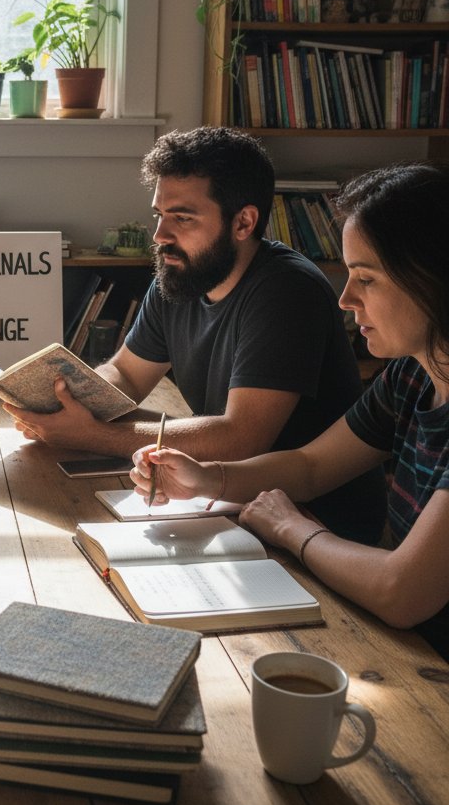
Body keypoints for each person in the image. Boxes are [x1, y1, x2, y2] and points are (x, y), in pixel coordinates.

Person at [5, 126, 386, 544]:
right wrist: (64, 397)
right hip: (224, 497)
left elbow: (241, 438)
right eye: (160, 215)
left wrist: (89, 433)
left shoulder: (286, 290)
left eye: (182, 218)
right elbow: (127, 376)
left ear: (243, 222)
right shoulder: (181, 273)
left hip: (315, 519)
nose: (161, 236)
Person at [130, 162, 449, 658]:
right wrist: (204, 478)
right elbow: (311, 465)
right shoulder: (412, 375)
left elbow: (399, 591)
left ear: (432, 279)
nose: (345, 299)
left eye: (366, 279)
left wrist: (293, 528)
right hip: (408, 644)